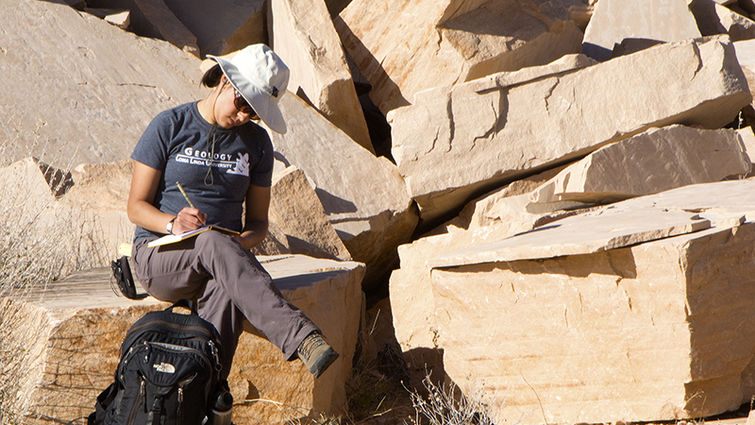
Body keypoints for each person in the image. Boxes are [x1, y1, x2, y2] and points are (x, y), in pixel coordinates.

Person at [126, 44, 338, 380]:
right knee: (211, 244)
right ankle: (300, 335)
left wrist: (236, 246)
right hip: (160, 257)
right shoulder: (170, 125)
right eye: (242, 104)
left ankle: (202, 393)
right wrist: (172, 223)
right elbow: (135, 207)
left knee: (226, 285)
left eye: (253, 112)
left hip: (220, 259)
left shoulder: (256, 144)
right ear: (225, 80)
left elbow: (258, 224)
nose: (243, 117)